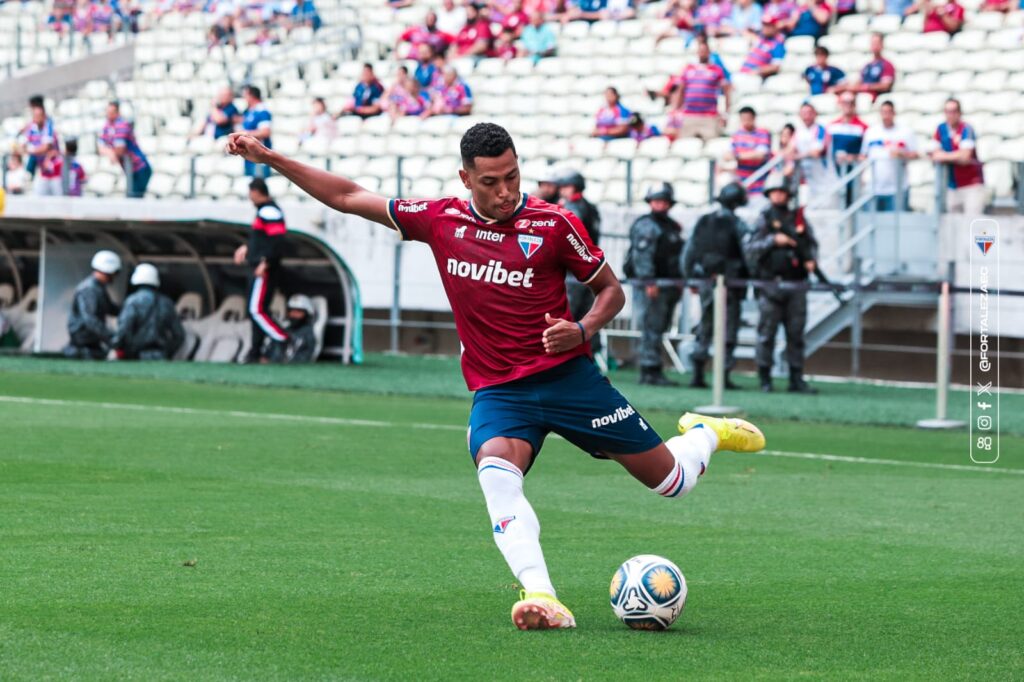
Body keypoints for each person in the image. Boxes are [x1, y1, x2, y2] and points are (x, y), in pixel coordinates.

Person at [226, 121, 767, 630]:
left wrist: (580, 331)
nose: (506, 191)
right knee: (496, 475)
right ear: (466, 179)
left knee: (672, 483)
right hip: (500, 391)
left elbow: (612, 291)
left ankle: (704, 432)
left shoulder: (554, 224)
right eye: (491, 182)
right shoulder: (440, 219)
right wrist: (270, 159)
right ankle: (541, 595)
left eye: (512, 176)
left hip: (569, 381)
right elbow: (346, 196)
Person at [744, 174, 818, 394]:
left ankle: (796, 378)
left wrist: (811, 261)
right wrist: (773, 241)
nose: (778, 195)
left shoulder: (799, 219)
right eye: (774, 191)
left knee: (796, 334)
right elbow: (750, 249)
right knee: (766, 333)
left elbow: (810, 245)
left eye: (782, 192)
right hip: (770, 286)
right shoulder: (763, 219)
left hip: (795, 285)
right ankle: (765, 378)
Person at [682, 182, 750, 389]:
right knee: (728, 330)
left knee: (705, 326)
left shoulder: (703, 221)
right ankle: (723, 377)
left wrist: (689, 278)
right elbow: (748, 254)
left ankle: (698, 375)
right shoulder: (738, 224)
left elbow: (689, 252)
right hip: (730, 283)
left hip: (705, 281)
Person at [624, 183, 685, 386]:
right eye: (657, 200)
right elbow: (643, 256)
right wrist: (648, 280)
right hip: (652, 285)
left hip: (668, 285)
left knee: (659, 327)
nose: (660, 204)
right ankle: (648, 370)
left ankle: (655, 369)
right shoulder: (647, 224)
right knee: (650, 326)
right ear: (650, 202)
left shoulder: (672, 226)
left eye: (664, 201)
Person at [234, 178, 289, 363]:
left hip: (264, 269)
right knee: (256, 310)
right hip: (259, 265)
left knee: (256, 310)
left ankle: (282, 337)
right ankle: (255, 351)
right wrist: (247, 248)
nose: (249, 197)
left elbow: (277, 241)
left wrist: (266, 262)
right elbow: (261, 239)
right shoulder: (264, 211)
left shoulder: (270, 211)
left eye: (251, 192)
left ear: (257, 192)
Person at [558, 171, 602, 354]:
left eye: (564, 186)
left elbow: (566, 237)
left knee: (566, 317)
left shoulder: (572, 208)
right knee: (587, 317)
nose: (561, 190)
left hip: (572, 272)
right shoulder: (592, 208)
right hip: (589, 270)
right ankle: (589, 357)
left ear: (573, 187)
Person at [112, 263, 185, 360]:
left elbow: (124, 329)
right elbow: (179, 335)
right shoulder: (166, 303)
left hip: (134, 357)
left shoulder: (132, 301)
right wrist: (167, 352)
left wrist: (117, 347)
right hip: (160, 357)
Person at [930, 97, 985, 214]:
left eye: (954, 111)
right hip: (952, 186)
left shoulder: (967, 129)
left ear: (960, 113)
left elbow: (965, 157)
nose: (950, 115)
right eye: (947, 111)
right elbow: (934, 155)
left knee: (971, 223)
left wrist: (944, 156)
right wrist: (956, 156)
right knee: (953, 225)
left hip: (971, 185)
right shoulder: (941, 129)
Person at [63, 250, 121, 360]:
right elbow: (91, 320)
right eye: (114, 273)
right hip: (83, 348)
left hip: (91, 344)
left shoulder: (98, 288)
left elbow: (110, 308)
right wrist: (112, 338)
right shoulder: (90, 289)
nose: (114, 277)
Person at [862, 100, 918, 211]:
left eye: (888, 112)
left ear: (894, 113)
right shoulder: (871, 132)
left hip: (897, 188)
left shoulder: (905, 132)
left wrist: (902, 154)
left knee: (896, 226)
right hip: (873, 187)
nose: (886, 116)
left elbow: (916, 154)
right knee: (872, 224)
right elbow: (863, 155)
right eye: (883, 112)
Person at [675, 35, 731, 140]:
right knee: (686, 144)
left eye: (705, 51)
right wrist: (676, 110)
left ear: (709, 52)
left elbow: (726, 91)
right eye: (700, 51)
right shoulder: (688, 69)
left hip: (709, 116)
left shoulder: (716, 70)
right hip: (689, 115)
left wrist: (725, 113)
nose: (702, 53)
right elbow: (681, 90)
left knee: (711, 143)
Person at [98, 101, 152, 198]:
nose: (109, 114)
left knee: (134, 199)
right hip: (129, 169)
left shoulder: (122, 125)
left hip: (140, 168)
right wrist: (110, 153)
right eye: (108, 112)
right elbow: (100, 147)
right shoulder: (108, 125)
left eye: (111, 112)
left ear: (117, 112)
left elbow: (120, 150)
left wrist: (111, 152)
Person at [728, 106, 772, 198]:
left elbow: (760, 155)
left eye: (748, 118)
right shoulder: (737, 134)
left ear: (754, 118)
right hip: (742, 181)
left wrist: (738, 156)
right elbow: (729, 155)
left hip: (759, 181)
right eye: (743, 119)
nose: (746, 121)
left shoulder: (762, 133)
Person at [835, 33, 895, 101]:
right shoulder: (867, 66)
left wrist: (867, 87)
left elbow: (885, 86)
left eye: (877, 43)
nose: (874, 45)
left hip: (874, 97)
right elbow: (859, 81)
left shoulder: (887, 65)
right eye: (873, 43)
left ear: (882, 44)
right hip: (861, 96)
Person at [794, 102, 833, 204]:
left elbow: (816, 152)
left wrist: (798, 156)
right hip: (808, 179)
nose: (806, 116)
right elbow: (790, 149)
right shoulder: (799, 131)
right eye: (803, 113)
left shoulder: (821, 130)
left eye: (809, 113)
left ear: (815, 114)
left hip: (824, 179)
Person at [266, 294, 318, 363]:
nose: (293, 314)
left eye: (298, 311)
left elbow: (306, 356)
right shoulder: (283, 329)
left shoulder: (309, 333)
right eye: (292, 311)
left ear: (307, 313)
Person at [18, 95, 58, 178]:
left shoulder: (49, 125)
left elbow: (46, 147)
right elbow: (24, 142)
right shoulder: (32, 125)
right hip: (41, 170)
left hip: (53, 170)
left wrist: (30, 150)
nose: (34, 118)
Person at [241, 86, 272, 177]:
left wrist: (244, 134)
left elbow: (265, 132)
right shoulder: (250, 111)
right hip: (248, 155)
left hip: (259, 156)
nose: (244, 98)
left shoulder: (262, 111)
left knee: (258, 185)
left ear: (252, 96)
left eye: (245, 95)